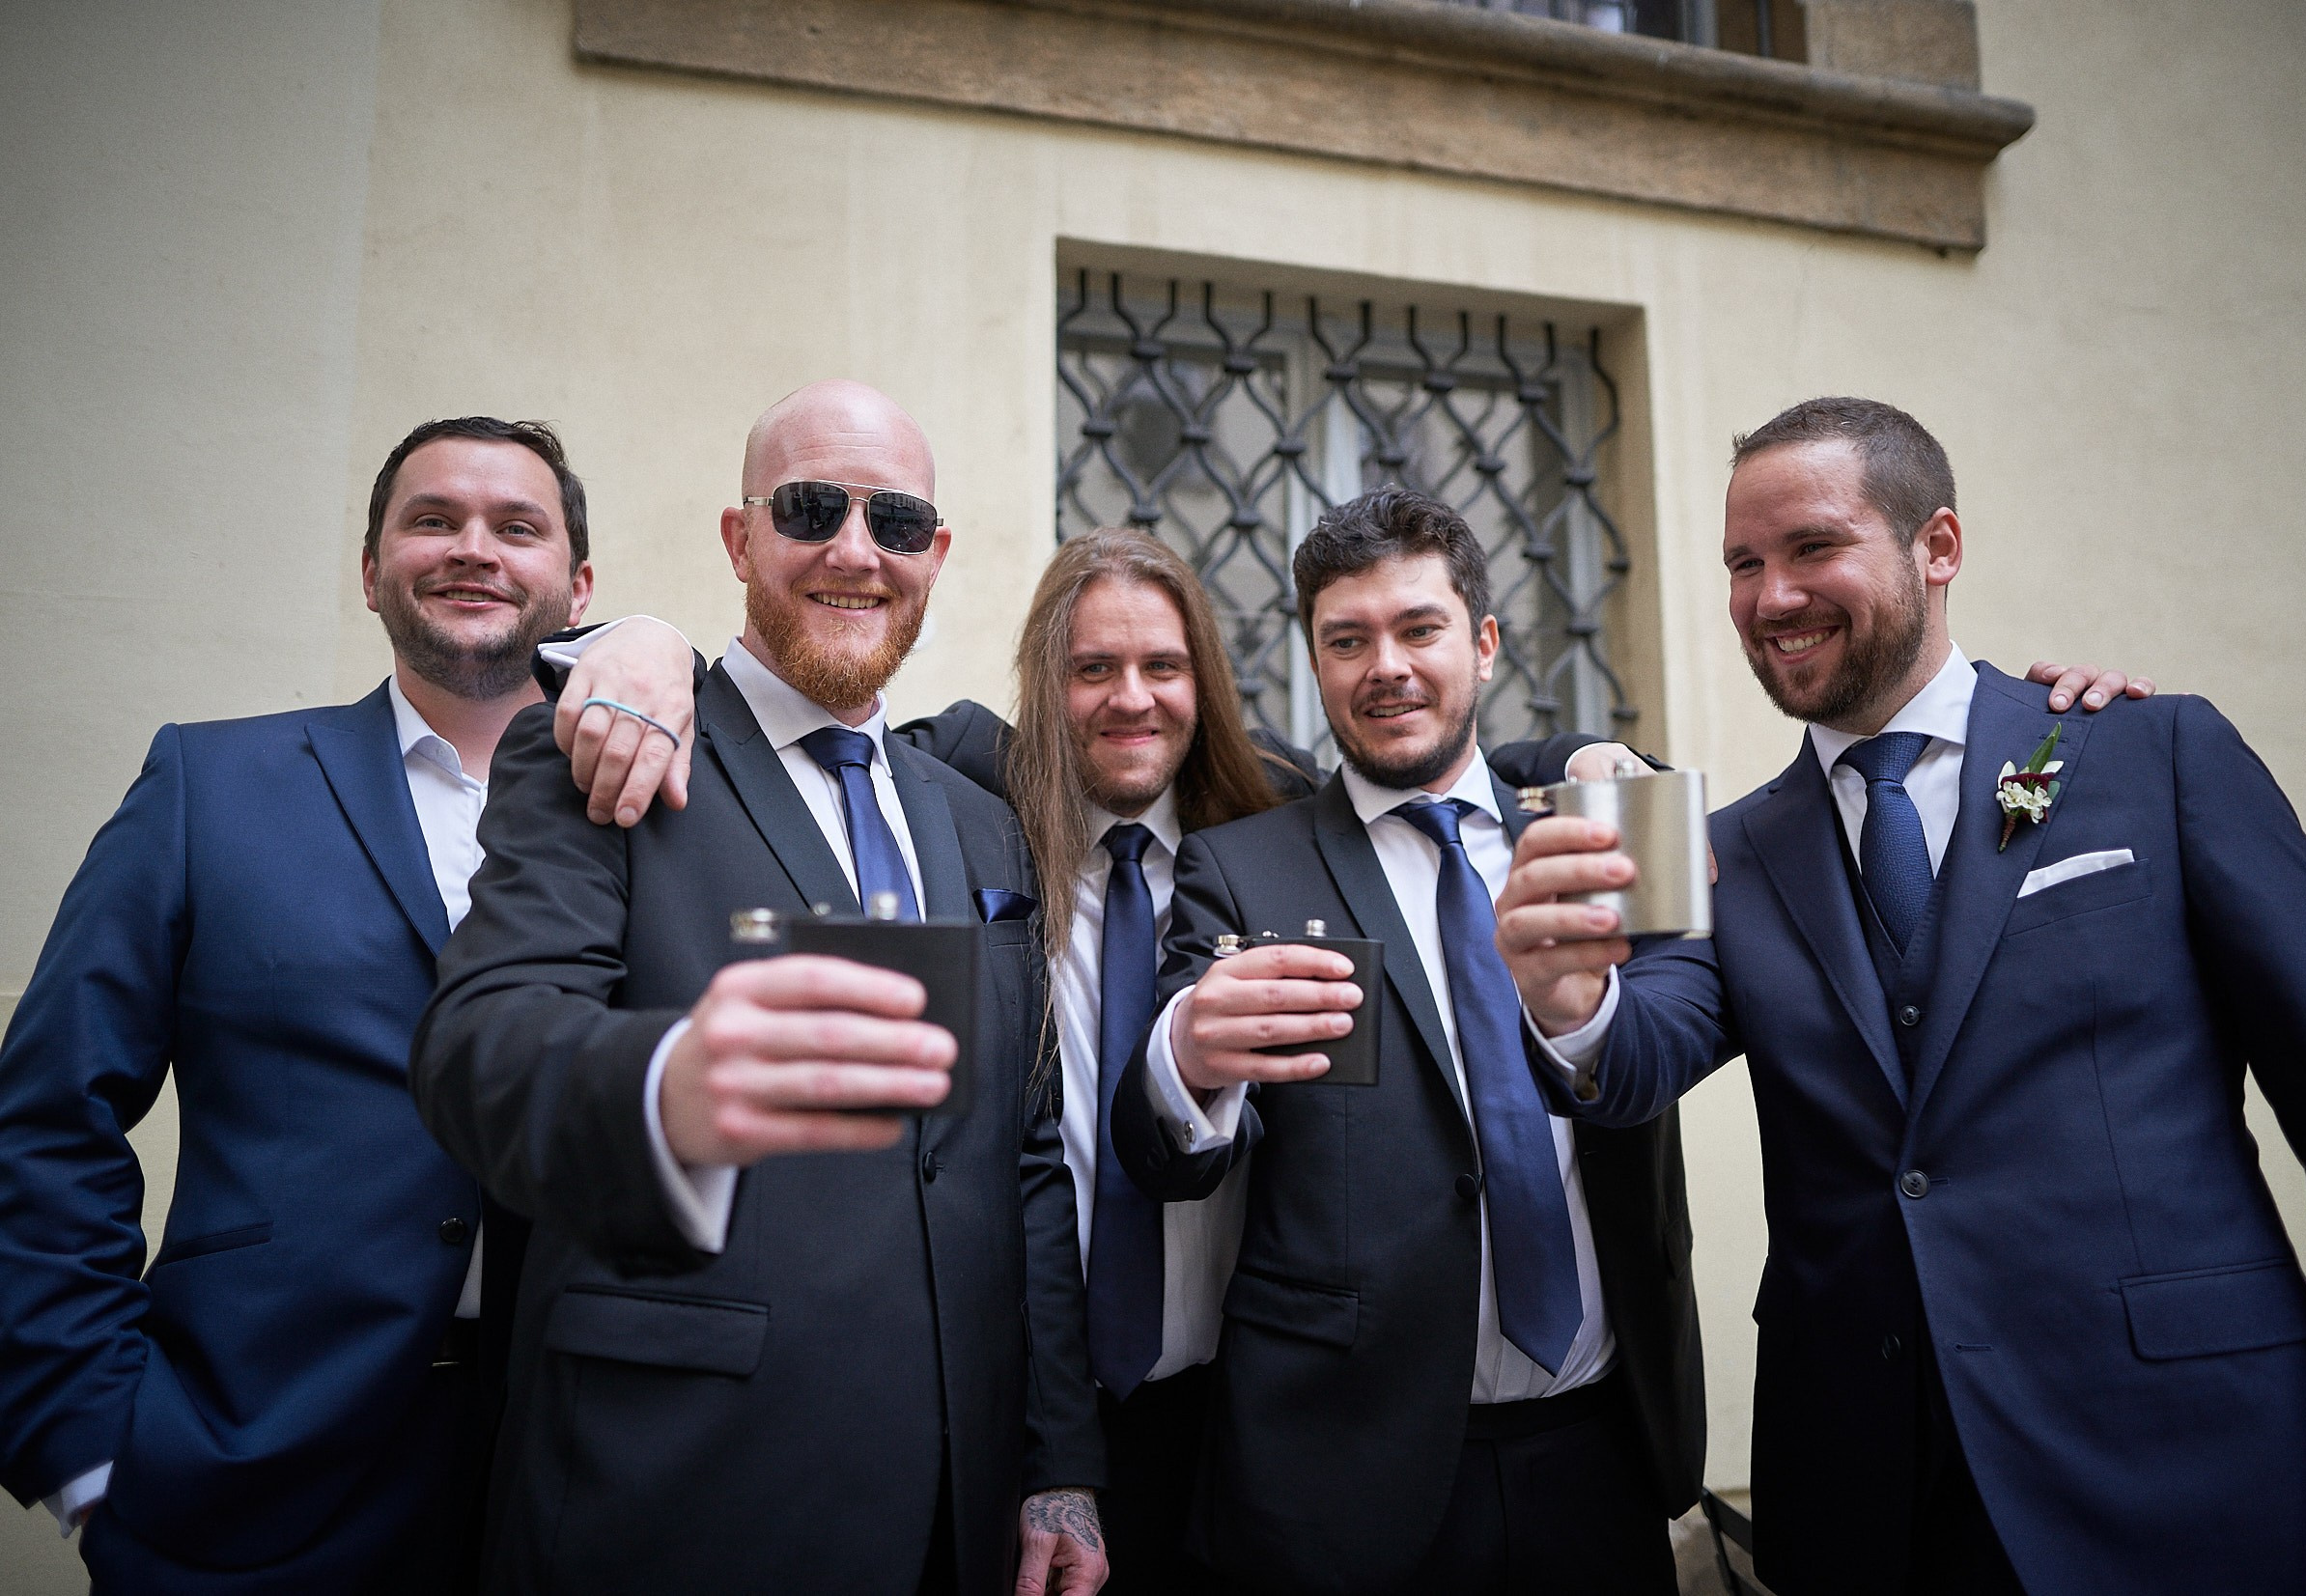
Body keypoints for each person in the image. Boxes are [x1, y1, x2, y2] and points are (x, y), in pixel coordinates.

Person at [1496, 397, 2306, 1596]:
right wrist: (1563, 1003)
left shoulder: (2139, 753)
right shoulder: (1735, 852)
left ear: (1938, 546)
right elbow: (1637, 1055)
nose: (1770, 598)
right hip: (1871, 1506)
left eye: (1813, 547)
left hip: (2189, 1468)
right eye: (1741, 564)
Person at [408, 379, 1108, 1595]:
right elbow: (482, 1047)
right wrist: (667, 1086)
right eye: (806, 508)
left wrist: (1056, 1461)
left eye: (893, 523)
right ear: (740, 540)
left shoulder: (983, 823)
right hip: (679, 1489)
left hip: (959, 1501)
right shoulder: (606, 740)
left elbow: (1022, 1158)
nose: (853, 550)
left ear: (933, 556)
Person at [547, 527, 1307, 1592]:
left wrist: (1587, 761)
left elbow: (1436, 768)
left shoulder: (1274, 826)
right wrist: (643, 639)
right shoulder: (969, 793)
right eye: (1091, 668)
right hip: (1014, 1408)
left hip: (1231, 1406)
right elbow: (801, 718)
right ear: (1045, 685)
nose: (1129, 698)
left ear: (1205, 682)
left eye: (1162, 667)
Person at [0, 417, 596, 1592]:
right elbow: (48, 1117)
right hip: (251, 1459)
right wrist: (85, 1448)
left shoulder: (644, 809)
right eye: (432, 520)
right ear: (370, 568)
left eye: (516, 527)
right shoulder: (208, 785)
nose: (473, 548)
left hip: (584, 1467)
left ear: (578, 586)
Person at [1104, 485, 1705, 1594]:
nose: (1384, 665)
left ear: (1480, 643)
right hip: (1340, 1479)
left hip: (1603, 1453)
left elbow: (1683, 1024)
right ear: (1315, 663)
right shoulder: (1241, 869)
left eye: (1417, 629)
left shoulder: (1594, 832)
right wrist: (1186, 1055)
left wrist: (1604, 779)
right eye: (1346, 640)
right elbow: (1162, 1154)